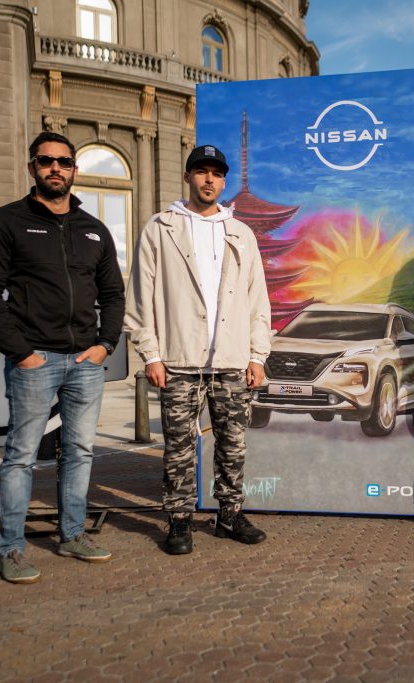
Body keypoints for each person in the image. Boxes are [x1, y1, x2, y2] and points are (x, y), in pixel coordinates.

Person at [0, 131, 125, 584]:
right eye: (46, 161)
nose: (55, 168)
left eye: (64, 161)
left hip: (85, 362)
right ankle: (12, 550)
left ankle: (73, 534)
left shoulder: (93, 229)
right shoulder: (7, 221)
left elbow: (113, 294)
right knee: (20, 456)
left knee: (78, 451)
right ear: (32, 168)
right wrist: (20, 352)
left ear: (75, 169)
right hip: (34, 359)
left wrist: (105, 344)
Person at [124, 144, 271, 555]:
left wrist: (257, 356)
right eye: (202, 172)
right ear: (187, 176)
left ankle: (229, 515)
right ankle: (180, 519)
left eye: (216, 173)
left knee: (233, 443)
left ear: (224, 181)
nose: (209, 180)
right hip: (178, 360)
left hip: (231, 361)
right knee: (178, 446)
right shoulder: (160, 227)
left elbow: (258, 300)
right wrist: (151, 354)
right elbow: (141, 296)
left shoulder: (240, 233)